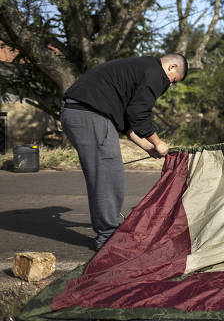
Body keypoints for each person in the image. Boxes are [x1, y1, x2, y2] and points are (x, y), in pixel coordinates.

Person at [60, 53, 187, 250]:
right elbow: (139, 113)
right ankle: (107, 238)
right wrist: (158, 142)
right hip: (89, 115)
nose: (170, 85)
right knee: (108, 176)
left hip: (84, 113)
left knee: (110, 173)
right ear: (171, 67)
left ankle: (108, 232)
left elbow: (126, 117)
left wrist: (145, 145)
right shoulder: (155, 73)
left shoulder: (141, 67)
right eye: (174, 80)